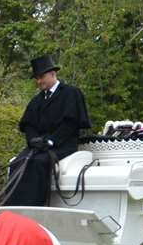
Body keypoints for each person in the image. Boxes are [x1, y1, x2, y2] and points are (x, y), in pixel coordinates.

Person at [7, 53, 91, 207]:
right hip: (39, 145)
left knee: (38, 163)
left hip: (63, 144)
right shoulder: (37, 100)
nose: (39, 82)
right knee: (17, 163)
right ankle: (13, 207)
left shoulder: (71, 93)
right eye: (37, 79)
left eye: (41, 77)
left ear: (53, 74)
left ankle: (34, 206)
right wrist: (33, 141)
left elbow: (70, 124)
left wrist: (52, 141)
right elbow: (29, 125)